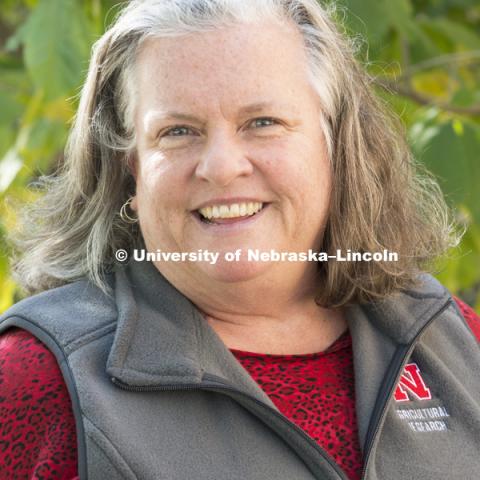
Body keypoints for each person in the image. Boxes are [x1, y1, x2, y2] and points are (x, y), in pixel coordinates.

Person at [1, 0, 479, 479]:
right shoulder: (35, 381)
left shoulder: (456, 340)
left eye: (262, 122)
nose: (222, 166)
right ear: (133, 171)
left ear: (335, 143)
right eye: (178, 131)